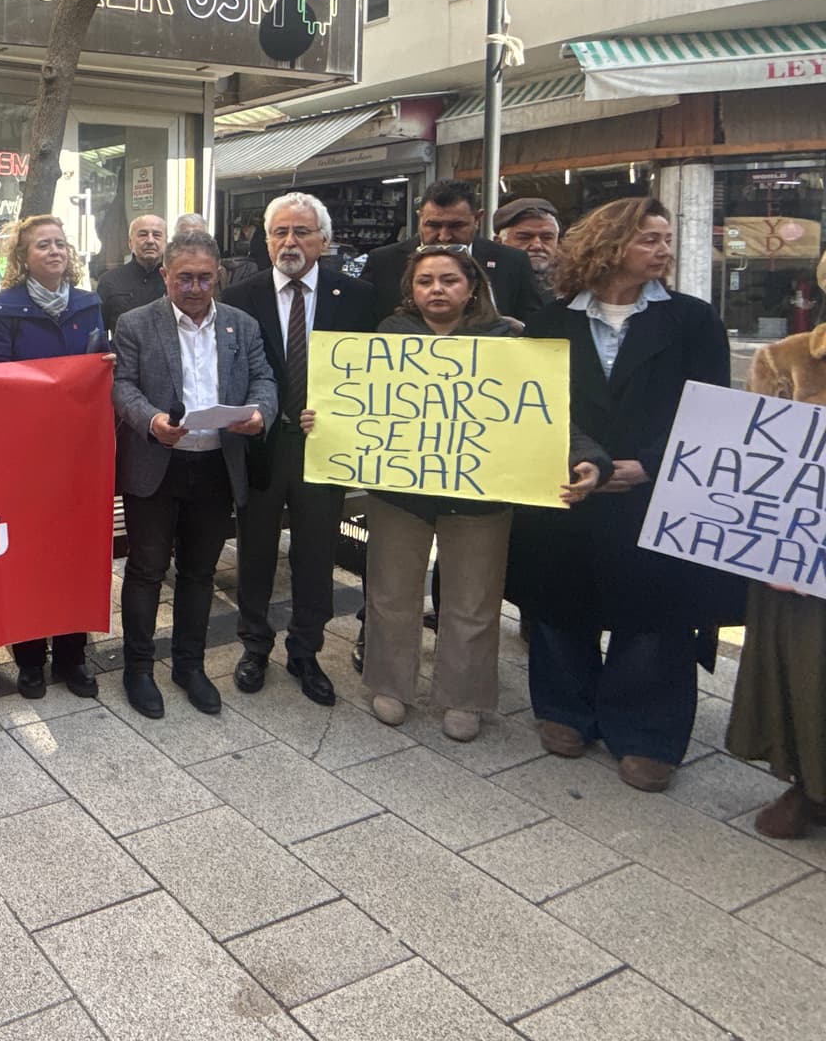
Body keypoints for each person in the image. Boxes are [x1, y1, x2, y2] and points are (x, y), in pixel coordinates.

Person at [314, 246, 604, 741]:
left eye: (448, 280)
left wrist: (586, 456)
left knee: (474, 598)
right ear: (412, 289)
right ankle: (389, 683)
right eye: (426, 281)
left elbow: (548, 410)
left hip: (480, 495)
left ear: (472, 287)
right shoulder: (389, 335)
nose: (437, 290)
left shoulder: (508, 339)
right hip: (401, 491)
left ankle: (464, 696)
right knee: (390, 592)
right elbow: (356, 399)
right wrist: (324, 421)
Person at [507, 197, 742, 793]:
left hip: (656, 490)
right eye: (650, 239)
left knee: (657, 612)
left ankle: (646, 733)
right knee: (560, 601)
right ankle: (565, 710)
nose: (664, 250)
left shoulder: (692, 321)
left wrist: (650, 467)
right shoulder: (552, 321)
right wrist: (579, 458)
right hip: (569, 488)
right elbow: (538, 408)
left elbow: (713, 413)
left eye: (666, 239)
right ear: (608, 246)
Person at [222, 193, 380, 708]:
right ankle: (254, 645)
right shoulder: (241, 297)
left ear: (324, 241)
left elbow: (375, 376)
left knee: (317, 553)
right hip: (262, 446)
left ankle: (306, 651)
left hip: (326, 448)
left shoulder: (357, 297)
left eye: (302, 232)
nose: (290, 242)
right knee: (257, 551)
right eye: (280, 232)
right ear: (266, 240)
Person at [112, 232, 274, 718]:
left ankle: (189, 664)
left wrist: (261, 413)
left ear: (218, 276)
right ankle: (138, 667)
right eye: (184, 277)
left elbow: (264, 377)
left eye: (205, 278)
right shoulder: (136, 323)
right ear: (165, 276)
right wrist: (151, 421)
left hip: (215, 468)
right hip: (157, 467)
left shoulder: (241, 326)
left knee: (200, 573)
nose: (195, 288)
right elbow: (122, 385)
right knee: (145, 571)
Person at [0, 216, 107, 698]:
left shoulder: (89, 304)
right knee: (30, 559)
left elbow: (100, 364)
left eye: (60, 244)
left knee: (75, 556)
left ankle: (72, 657)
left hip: (77, 456)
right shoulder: (3, 308)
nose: (54, 251)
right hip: (26, 457)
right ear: (24, 257)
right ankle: (30, 659)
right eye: (43, 245)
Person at [726, 250, 826, 837]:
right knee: (805, 665)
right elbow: (749, 462)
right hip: (804, 557)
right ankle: (806, 781)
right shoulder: (781, 360)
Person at [361, 179, 543, 324]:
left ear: (478, 219)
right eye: (433, 225)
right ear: (420, 218)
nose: (444, 236)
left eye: (456, 226)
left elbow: (534, 323)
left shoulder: (511, 261)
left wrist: (517, 329)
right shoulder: (383, 261)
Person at [97, 214, 169, 332]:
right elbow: (100, 332)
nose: (150, 240)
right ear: (130, 243)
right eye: (143, 234)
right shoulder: (110, 281)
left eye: (156, 235)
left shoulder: (174, 281)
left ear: (166, 242)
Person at [493, 196, 563, 305]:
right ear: (498, 243)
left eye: (547, 237)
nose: (537, 246)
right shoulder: (482, 289)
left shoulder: (574, 290)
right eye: (524, 237)